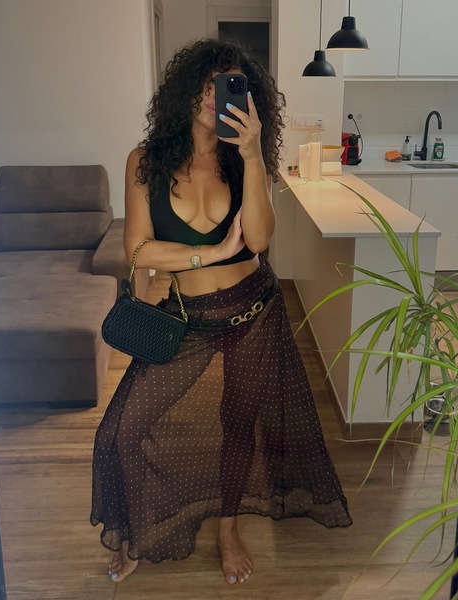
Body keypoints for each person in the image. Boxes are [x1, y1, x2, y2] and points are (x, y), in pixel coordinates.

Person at [90, 37, 352, 587]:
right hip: (188, 318)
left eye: (229, 86)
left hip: (254, 311)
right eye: (207, 84)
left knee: (238, 424)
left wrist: (253, 155)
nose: (215, 96)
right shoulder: (145, 163)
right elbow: (138, 250)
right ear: (186, 90)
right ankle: (137, 531)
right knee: (122, 430)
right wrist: (207, 254)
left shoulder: (244, 161)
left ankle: (228, 529)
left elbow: (257, 239)